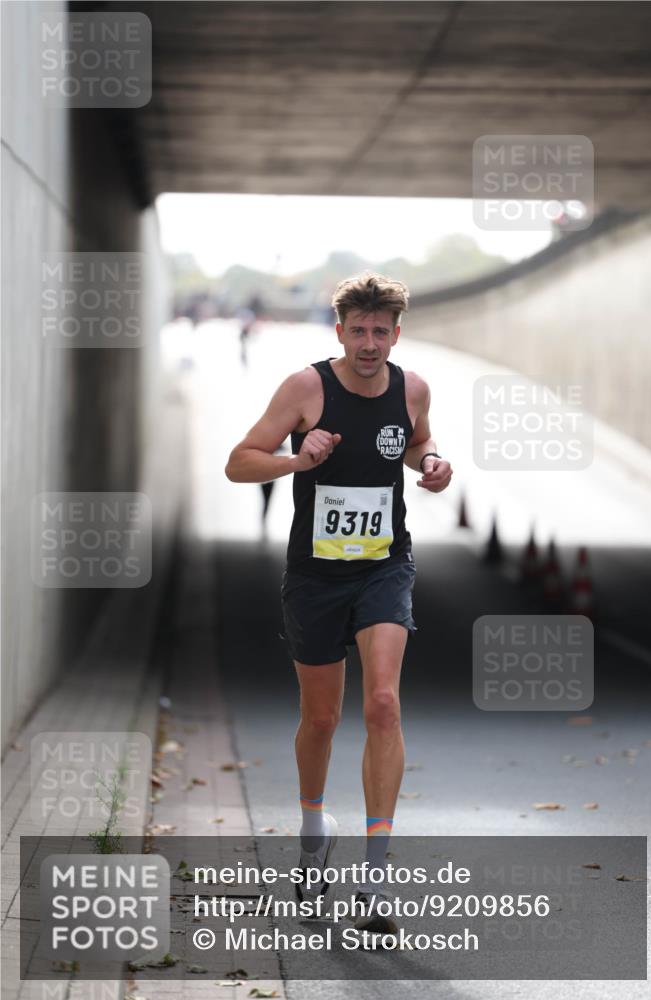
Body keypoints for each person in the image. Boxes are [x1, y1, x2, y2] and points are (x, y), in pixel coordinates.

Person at [225, 273, 453, 933]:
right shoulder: (305, 388)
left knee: (382, 704)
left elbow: (416, 440)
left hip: (384, 566)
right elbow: (239, 462)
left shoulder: (411, 387)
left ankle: (375, 878)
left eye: (381, 331)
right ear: (339, 332)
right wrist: (298, 460)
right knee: (320, 720)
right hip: (314, 577)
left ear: (395, 334)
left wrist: (431, 461)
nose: (369, 343)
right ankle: (311, 826)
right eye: (358, 330)